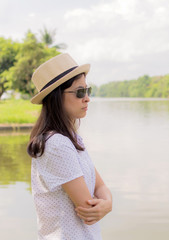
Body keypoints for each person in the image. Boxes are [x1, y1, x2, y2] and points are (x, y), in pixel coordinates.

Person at [27, 53, 112, 239]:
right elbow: (88, 209)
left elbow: (101, 186)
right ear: (57, 97)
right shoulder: (56, 144)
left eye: (87, 91)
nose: (87, 98)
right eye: (80, 92)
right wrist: (105, 204)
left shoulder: (72, 138)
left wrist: (108, 202)